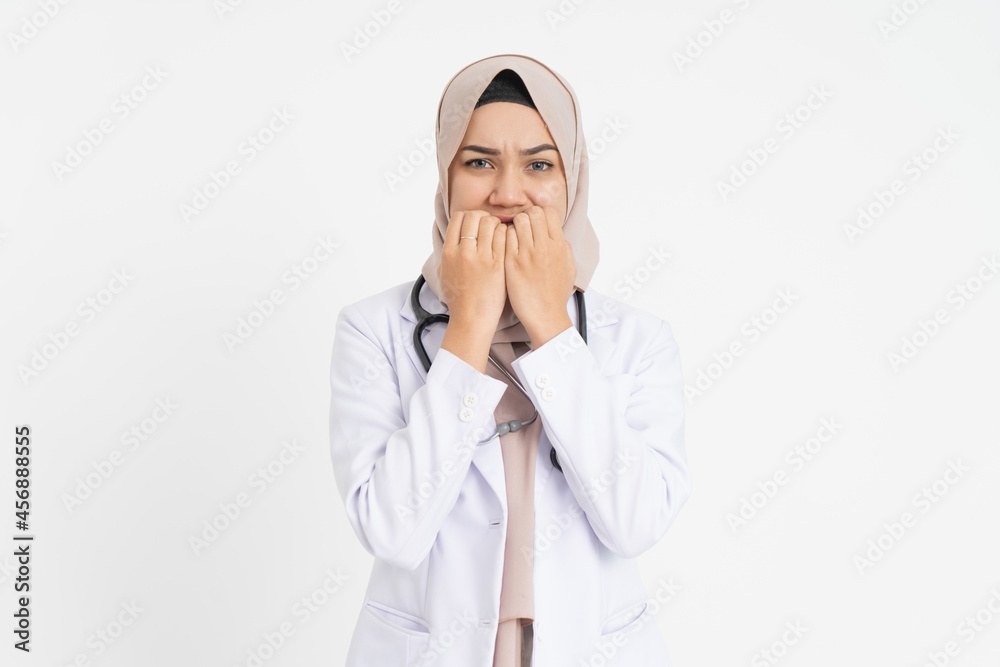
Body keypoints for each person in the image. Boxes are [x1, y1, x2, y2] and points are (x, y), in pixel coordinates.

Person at [329, 53, 691, 667]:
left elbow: (635, 523)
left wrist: (550, 324)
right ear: (445, 177)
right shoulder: (373, 328)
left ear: (572, 180)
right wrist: (470, 322)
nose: (507, 194)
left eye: (539, 164)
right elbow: (392, 531)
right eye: (479, 162)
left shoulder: (637, 338)